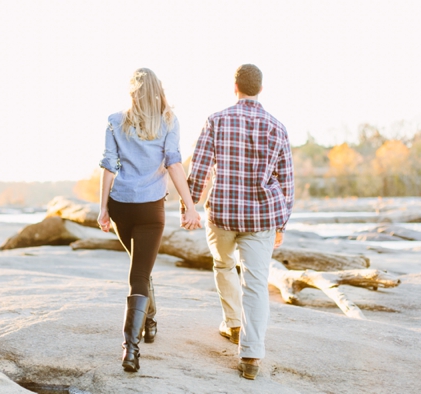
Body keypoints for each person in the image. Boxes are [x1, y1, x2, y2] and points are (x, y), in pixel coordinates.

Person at [186, 64, 294, 380]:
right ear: (260, 89)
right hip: (261, 218)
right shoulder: (277, 127)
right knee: (257, 283)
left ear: (235, 87)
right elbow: (286, 182)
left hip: (221, 214)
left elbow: (200, 167)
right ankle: (250, 355)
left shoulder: (216, 120)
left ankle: (233, 322)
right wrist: (281, 225)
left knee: (223, 265)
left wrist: (189, 205)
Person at [97, 68, 201, 373]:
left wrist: (102, 209)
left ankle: (149, 322)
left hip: (121, 207)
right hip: (150, 210)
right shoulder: (168, 120)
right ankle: (131, 348)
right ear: (157, 89)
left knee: (140, 268)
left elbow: (108, 167)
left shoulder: (115, 120)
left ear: (132, 92)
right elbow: (174, 163)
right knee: (141, 271)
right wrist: (189, 206)